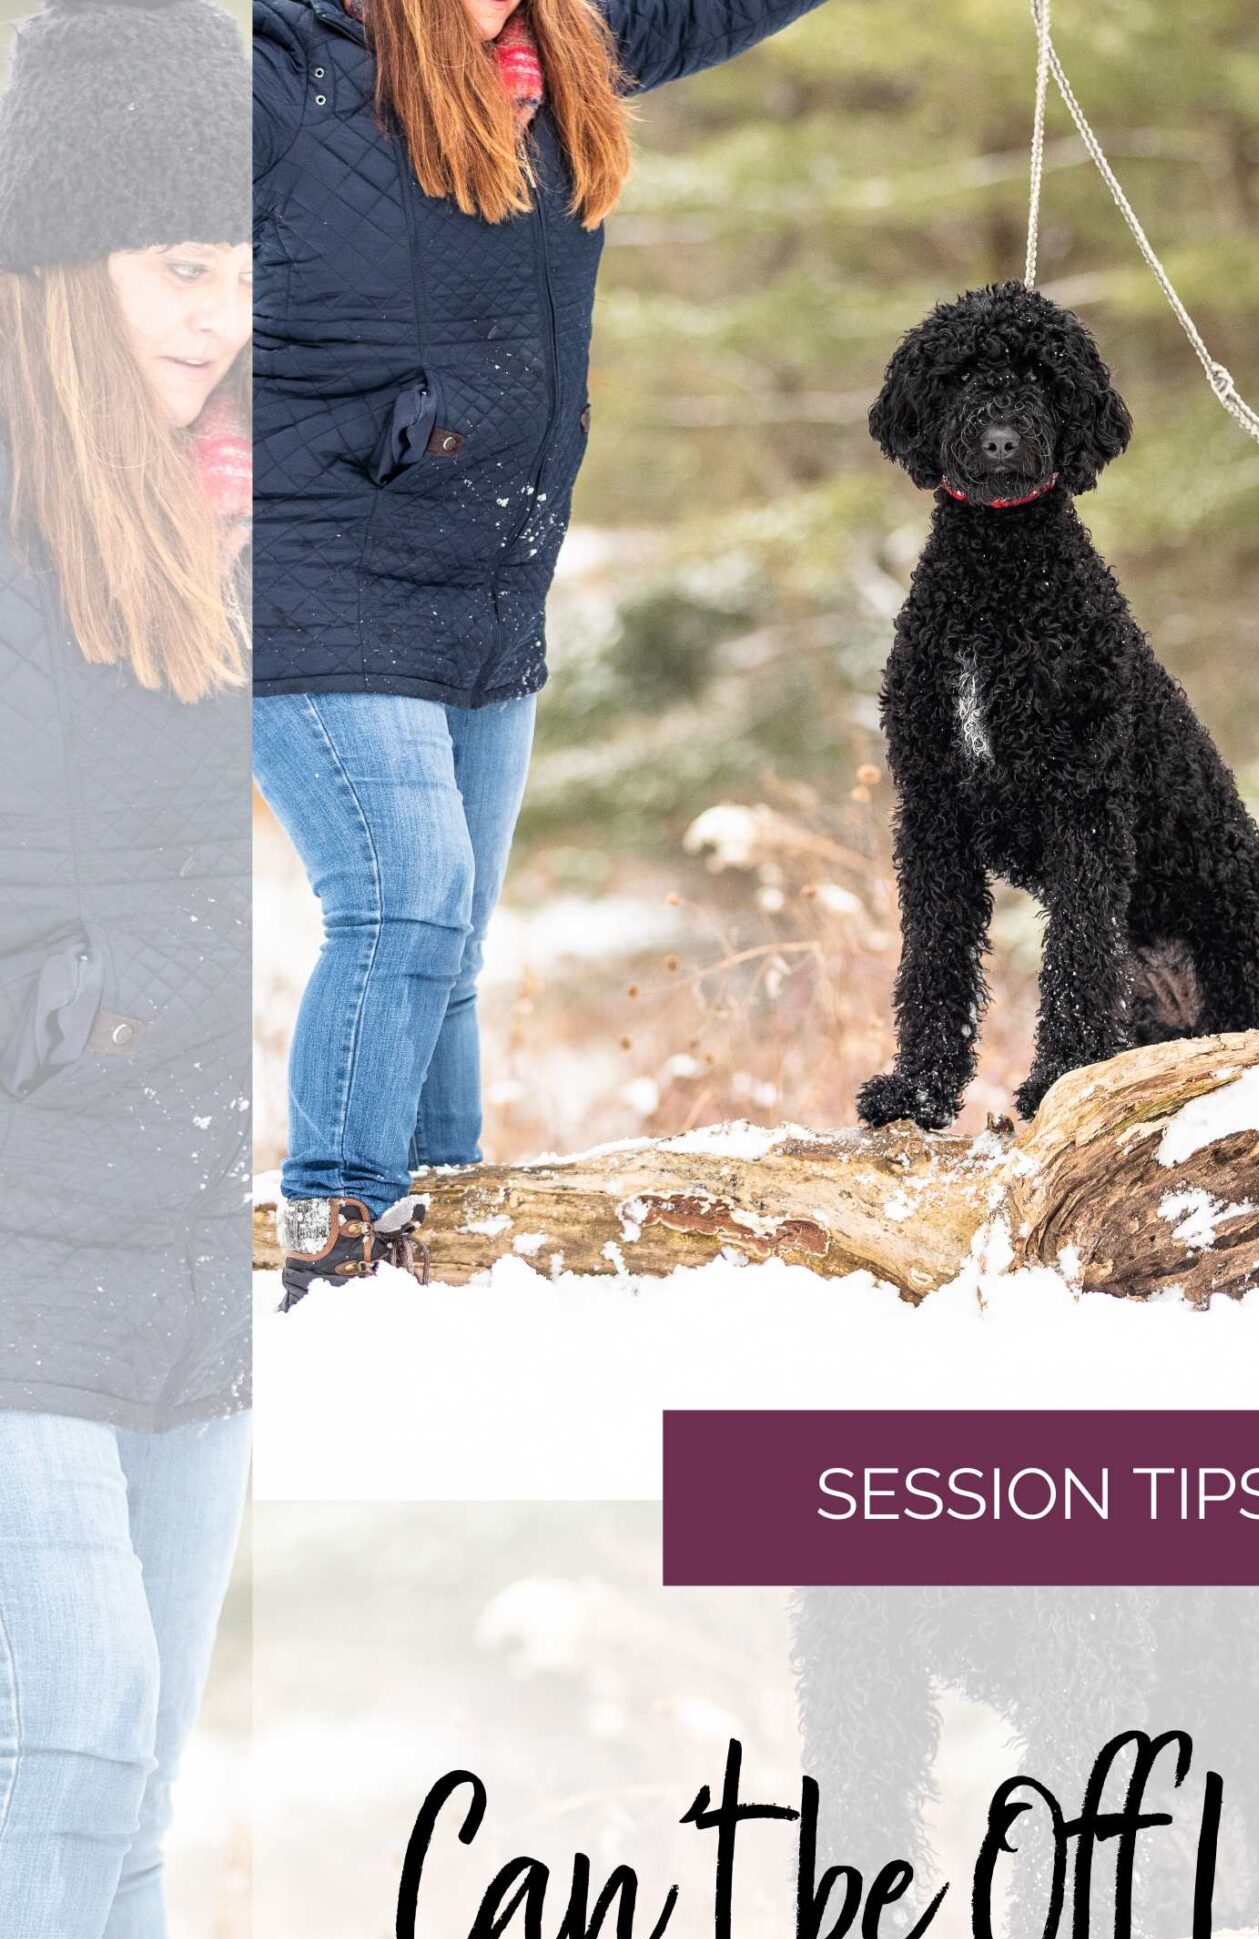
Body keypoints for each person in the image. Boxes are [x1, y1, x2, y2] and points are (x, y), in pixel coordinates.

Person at [253, 0, 827, 1304]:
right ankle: (336, 1239)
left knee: (446, 941)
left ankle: (439, 1240)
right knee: (402, 894)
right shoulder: (295, 61)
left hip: (486, 579)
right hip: (308, 555)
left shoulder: (570, 39)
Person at [0, 0, 253, 1939]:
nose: (223, 313)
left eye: (243, 262)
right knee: (59, 1720)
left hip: (178, 1235)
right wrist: (62, 1008)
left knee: (139, 1785)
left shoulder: (201, 529)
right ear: (61, 269)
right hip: (12, 1225)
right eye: (179, 261)